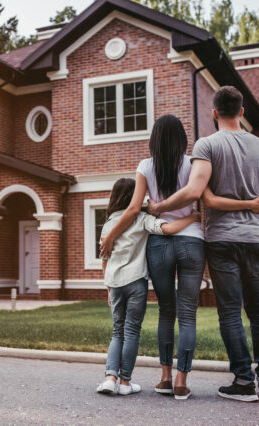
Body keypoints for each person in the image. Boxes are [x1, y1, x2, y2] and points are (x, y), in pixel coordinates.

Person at [148, 86, 259, 402]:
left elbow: (196, 192)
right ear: (241, 111)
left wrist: (159, 207)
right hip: (256, 239)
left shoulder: (207, 145)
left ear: (214, 113)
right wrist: (251, 206)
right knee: (257, 310)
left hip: (223, 239)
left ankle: (243, 381)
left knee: (230, 313)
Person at [100, 115, 205, 400]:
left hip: (159, 244)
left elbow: (134, 209)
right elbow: (202, 197)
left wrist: (110, 236)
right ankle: (182, 382)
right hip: (192, 240)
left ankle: (165, 378)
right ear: (182, 139)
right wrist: (194, 216)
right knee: (187, 315)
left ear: (153, 140)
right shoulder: (194, 163)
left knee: (166, 312)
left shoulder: (146, 166)